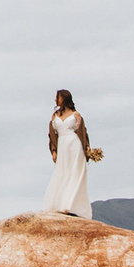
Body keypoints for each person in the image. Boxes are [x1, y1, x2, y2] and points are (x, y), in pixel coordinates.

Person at [42, 89, 90, 218]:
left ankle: (71, 205)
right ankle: (61, 204)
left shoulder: (76, 115)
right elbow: (52, 135)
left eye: (58, 97)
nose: (55, 100)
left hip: (74, 145)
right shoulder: (55, 116)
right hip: (62, 146)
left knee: (74, 173)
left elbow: (83, 133)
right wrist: (53, 150)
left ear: (64, 98)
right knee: (63, 173)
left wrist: (87, 150)